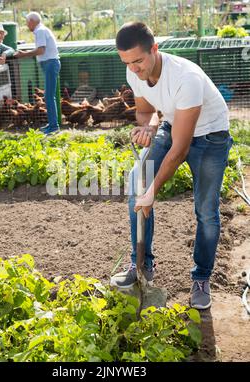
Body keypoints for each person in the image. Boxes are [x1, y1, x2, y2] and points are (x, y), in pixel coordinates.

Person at [110, 22, 233, 310]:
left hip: (210, 137)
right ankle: (141, 265)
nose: (134, 69)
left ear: (155, 49)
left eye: (138, 60)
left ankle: (201, 277)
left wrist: (153, 192)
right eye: (127, 62)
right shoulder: (133, 71)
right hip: (171, 124)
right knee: (136, 186)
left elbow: (179, 149)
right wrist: (148, 130)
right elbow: (145, 111)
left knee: (205, 210)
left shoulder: (185, 78)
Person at [14, 12, 61, 135]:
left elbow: (41, 50)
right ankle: (52, 124)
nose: (26, 24)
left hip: (50, 64)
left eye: (27, 22)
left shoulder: (40, 31)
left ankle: (54, 126)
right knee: (49, 96)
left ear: (31, 21)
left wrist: (24, 54)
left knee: (49, 96)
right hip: (49, 64)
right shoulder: (41, 30)